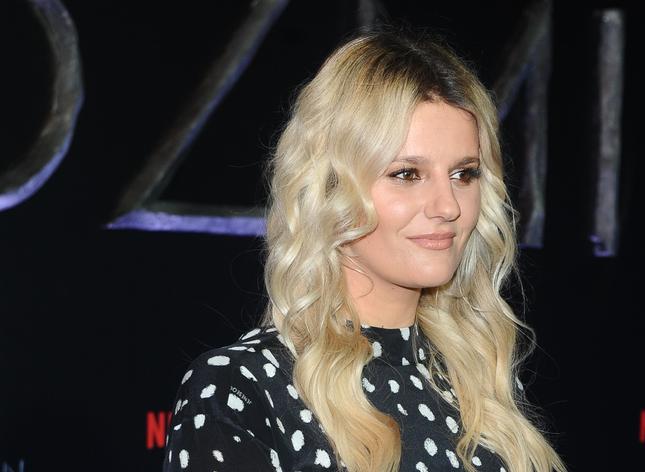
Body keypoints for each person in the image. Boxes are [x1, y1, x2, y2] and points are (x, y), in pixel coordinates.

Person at [162, 25, 568, 472]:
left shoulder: (477, 386)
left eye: (463, 174)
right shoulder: (243, 389)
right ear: (332, 188)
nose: (448, 206)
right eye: (406, 174)